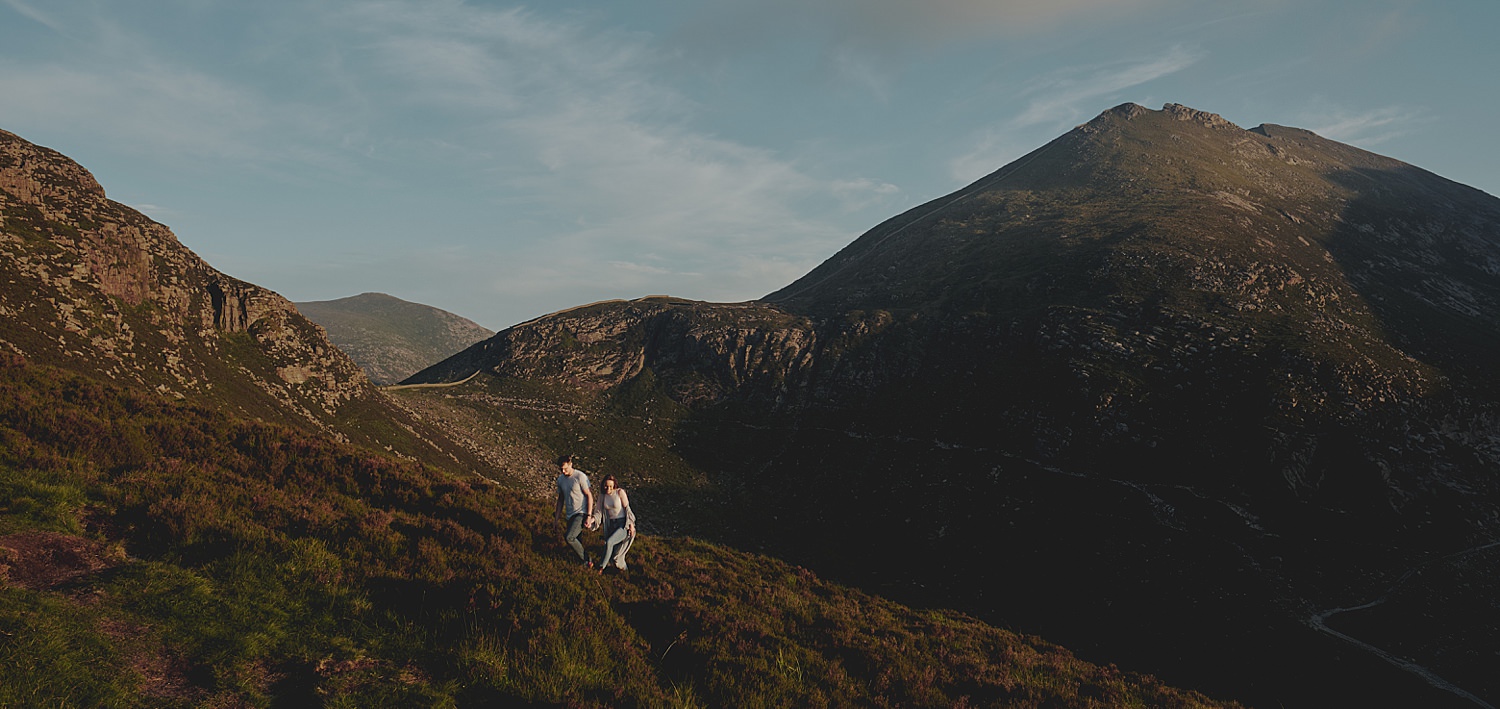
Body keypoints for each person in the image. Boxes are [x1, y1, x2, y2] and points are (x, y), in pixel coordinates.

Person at [553, 454, 595, 567]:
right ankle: (583, 565)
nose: (563, 471)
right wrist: (556, 519)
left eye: (565, 468)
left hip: (581, 513)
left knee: (569, 537)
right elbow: (560, 500)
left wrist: (589, 515)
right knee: (577, 541)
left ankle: (588, 560)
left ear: (571, 464)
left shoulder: (580, 477)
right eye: (561, 469)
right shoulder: (560, 480)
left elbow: (589, 496)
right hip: (569, 514)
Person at [593, 473, 636, 573]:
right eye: (606, 486)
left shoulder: (619, 492)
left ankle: (601, 567)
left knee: (609, 542)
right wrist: (591, 520)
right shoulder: (602, 496)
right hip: (611, 525)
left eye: (611, 486)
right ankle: (624, 572)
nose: (608, 489)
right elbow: (598, 512)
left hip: (622, 525)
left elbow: (627, 509)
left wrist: (631, 525)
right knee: (615, 555)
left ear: (614, 486)